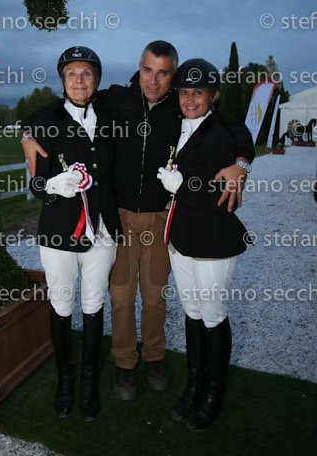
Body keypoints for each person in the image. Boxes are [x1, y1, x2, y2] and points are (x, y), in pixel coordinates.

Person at [22, 41, 253, 401]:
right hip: (121, 215)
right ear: (139, 68)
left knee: (155, 296)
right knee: (121, 295)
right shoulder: (116, 99)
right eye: (147, 70)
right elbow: (58, 107)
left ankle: (155, 357)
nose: (153, 80)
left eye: (163, 73)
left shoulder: (181, 106)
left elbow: (232, 126)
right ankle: (125, 363)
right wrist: (26, 134)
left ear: (174, 76)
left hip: (162, 216)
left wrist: (241, 163)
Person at [157, 58, 254, 430]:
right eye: (184, 92)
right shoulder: (181, 122)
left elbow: (222, 199)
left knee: (213, 315)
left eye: (198, 93)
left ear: (213, 96)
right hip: (182, 237)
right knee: (192, 311)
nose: (190, 100)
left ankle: (214, 394)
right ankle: (194, 385)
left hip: (214, 240)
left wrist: (241, 164)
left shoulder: (221, 134)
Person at [28, 46, 121, 421]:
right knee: (62, 305)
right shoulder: (45, 120)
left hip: (102, 231)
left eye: (86, 73)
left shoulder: (111, 115)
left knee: (94, 304)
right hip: (58, 233)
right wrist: (52, 185)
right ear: (62, 80)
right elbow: (35, 183)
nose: (79, 80)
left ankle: (89, 382)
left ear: (96, 79)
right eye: (71, 74)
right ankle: (65, 381)